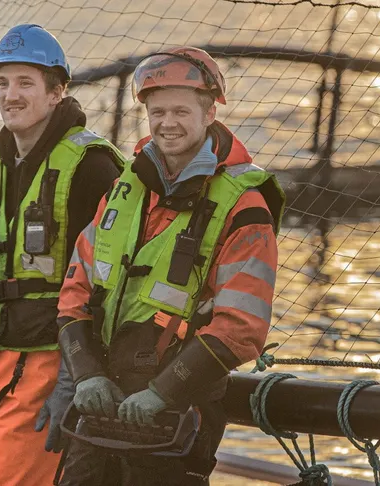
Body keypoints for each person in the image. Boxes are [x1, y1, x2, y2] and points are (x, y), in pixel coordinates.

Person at [54, 46, 285, 485]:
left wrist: (161, 393)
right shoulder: (124, 189)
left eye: (181, 110)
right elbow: (74, 295)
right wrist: (86, 376)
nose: (167, 123)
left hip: (177, 416)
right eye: (157, 112)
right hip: (102, 401)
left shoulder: (245, 207)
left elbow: (241, 327)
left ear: (210, 111)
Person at [0, 24, 125, 486]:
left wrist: (73, 379)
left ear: (57, 91)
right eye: (2, 83)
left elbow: (108, 283)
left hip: (46, 363)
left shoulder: (91, 167)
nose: (10, 95)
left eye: (25, 83)